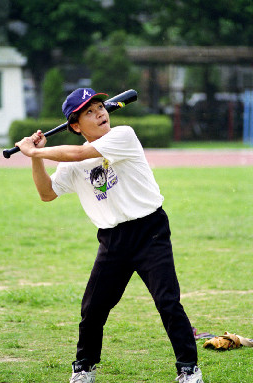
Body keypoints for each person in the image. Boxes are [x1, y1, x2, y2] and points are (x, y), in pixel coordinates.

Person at [15, 88, 204, 383]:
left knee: (167, 301)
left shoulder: (123, 136)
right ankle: (84, 368)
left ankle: (189, 369)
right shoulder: (71, 164)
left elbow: (79, 151)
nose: (101, 113)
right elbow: (46, 193)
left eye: (101, 107)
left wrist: (35, 149)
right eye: (89, 112)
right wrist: (35, 159)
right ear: (74, 126)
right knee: (93, 307)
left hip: (149, 231)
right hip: (112, 240)